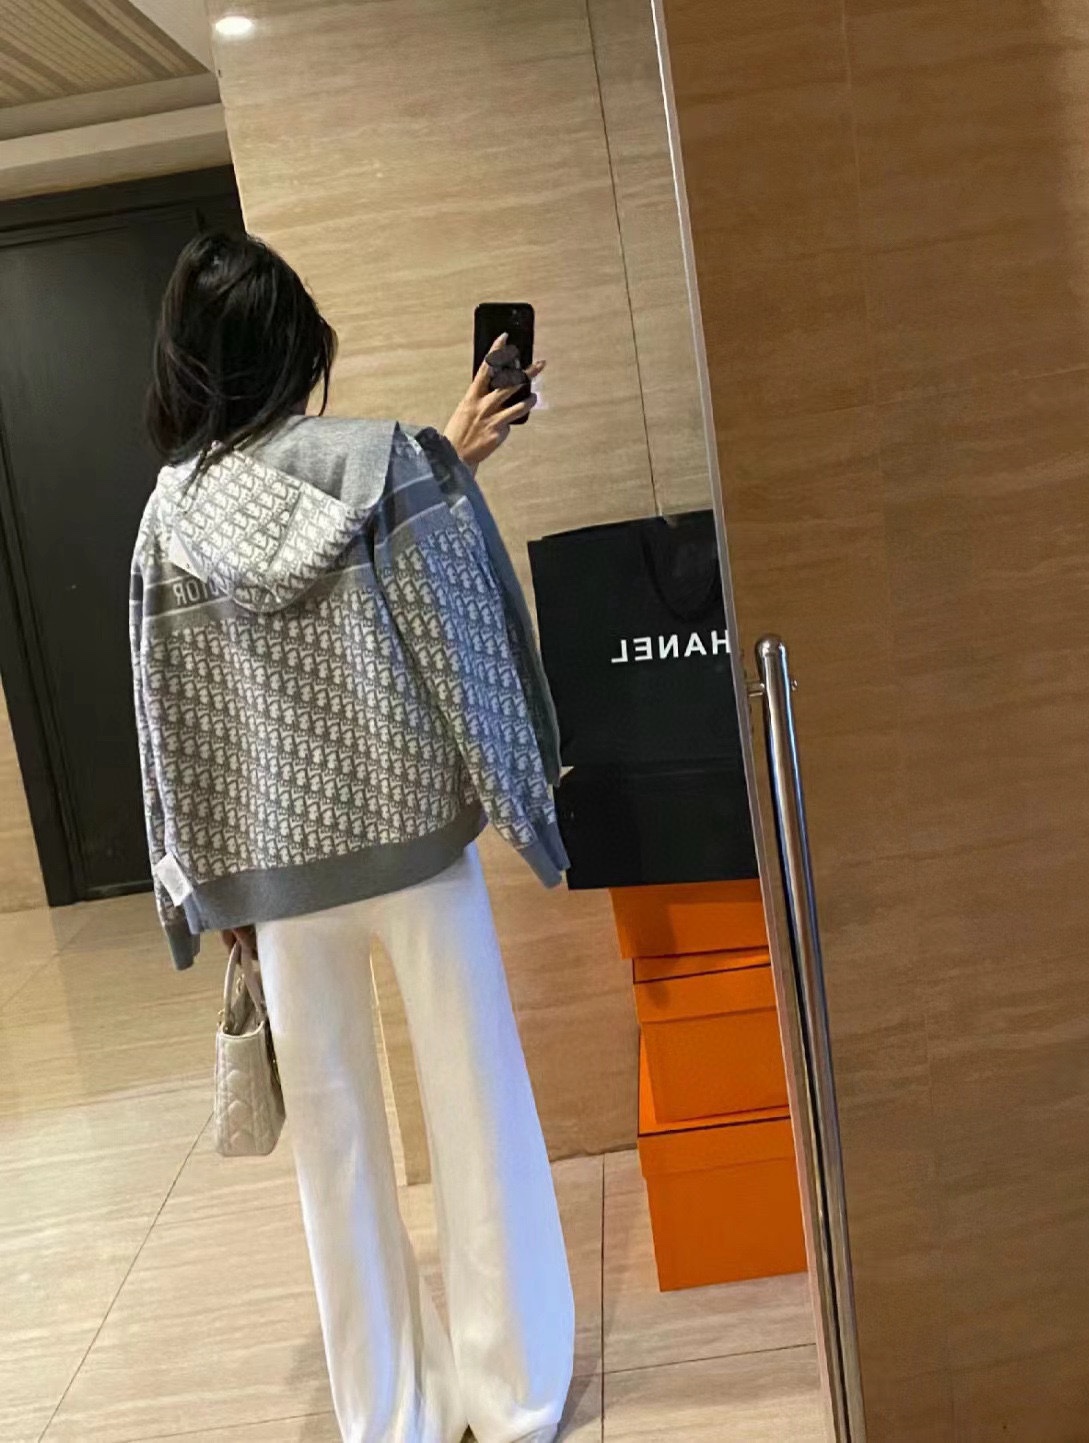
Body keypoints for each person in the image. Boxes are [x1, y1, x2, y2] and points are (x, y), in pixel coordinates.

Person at [132, 231, 574, 1443]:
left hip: (278, 888)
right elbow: (465, 647)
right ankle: (515, 1398)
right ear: (296, 351)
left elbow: (171, 720)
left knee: (335, 1158)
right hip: (419, 855)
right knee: (477, 1113)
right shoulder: (385, 465)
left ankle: (389, 1414)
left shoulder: (167, 520)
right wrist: (528, 801)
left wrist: (202, 896)